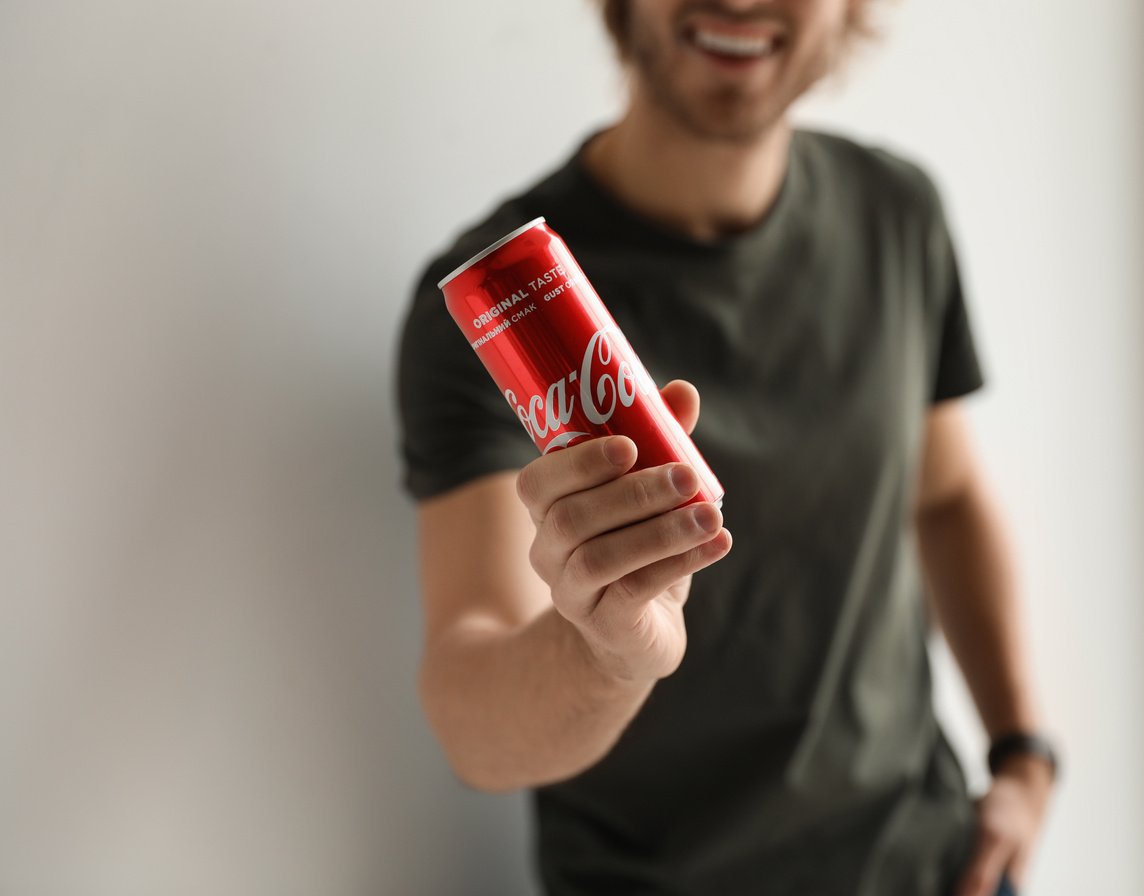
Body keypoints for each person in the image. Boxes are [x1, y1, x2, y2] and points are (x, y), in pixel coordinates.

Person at [396, 1, 1058, 894]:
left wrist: (1022, 751)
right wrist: (605, 653)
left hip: (932, 868)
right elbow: (469, 714)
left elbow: (946, 494)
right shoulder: (501, 306)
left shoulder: (899, 213)